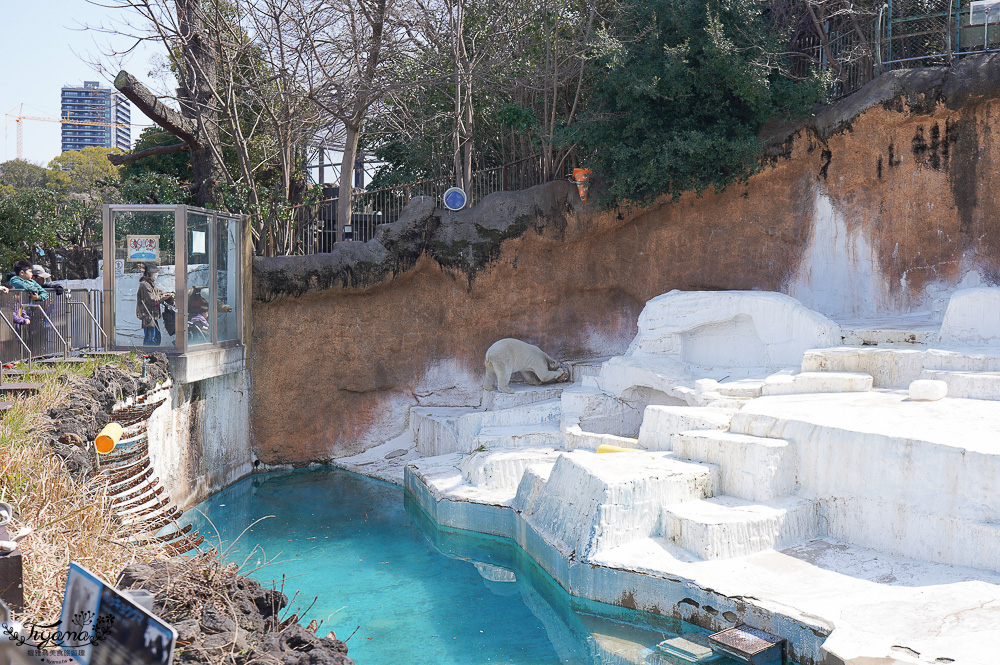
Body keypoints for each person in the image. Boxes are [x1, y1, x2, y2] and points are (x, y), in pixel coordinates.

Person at [136, 263, 166, 346]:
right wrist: (162, 298)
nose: (155, 275)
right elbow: (152, 299)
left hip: (153, 315)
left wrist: (167, 295)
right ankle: (147, 356)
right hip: (148, 316)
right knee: (150, 338)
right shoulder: (145, 285)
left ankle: (153, 355)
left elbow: (158, 292)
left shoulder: (150, 284)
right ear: (149, 274)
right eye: (153, 273)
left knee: (157, 337)